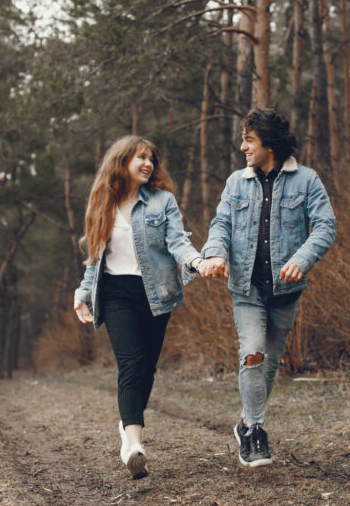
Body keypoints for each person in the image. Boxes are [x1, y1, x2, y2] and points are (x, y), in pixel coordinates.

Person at [198, 109, 336, 467]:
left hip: (286, 292)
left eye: (249, 140)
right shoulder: (235, 183)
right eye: (243, 139)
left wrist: (302, 259)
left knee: (268, 365)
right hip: (246, 288)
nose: (242, 147)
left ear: (269, 144)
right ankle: (257, 432)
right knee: (253, 353)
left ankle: (245, 422)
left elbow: (325, 227)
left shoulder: (306, 181)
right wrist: (214, 253)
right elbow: (221, 224)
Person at [74, 135, 203, 479]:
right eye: (141, 158)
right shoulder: (102, 202)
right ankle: (134, 444)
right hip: (116, 293)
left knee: (146, 369)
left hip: (156, 293)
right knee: (130, 364)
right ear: (122, 162)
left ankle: (126, 421)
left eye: (152, 159)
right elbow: (95, 258)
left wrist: (196, 261)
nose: (148, 164)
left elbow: (178, 242)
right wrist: (83, 292)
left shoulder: (163, 201)